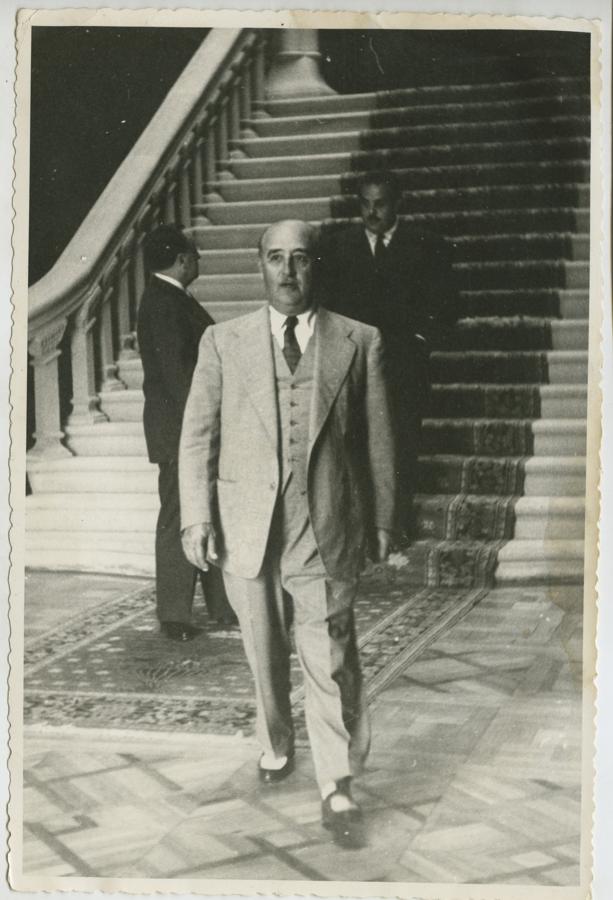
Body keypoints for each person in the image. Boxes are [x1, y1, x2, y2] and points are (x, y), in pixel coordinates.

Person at [179, 220, 395, 847]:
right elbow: (196, 435)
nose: (288, 271)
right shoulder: (223, 342)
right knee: (264, 653)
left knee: (329, 654)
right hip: (246, 525)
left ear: (316, 266)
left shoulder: (359, 340)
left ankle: (337, 784)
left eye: (300, 259)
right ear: (260, 265)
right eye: (276, 258)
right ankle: (276, 740)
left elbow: (379, 437)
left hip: (322, 522)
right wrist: (196, 515)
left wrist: (382, 517)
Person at [322, 170, 457, 532]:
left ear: (398, 203)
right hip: (353, 366)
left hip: (404, 365)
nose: (371, 212)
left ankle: (395, 525)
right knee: (354, 443)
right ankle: (362, 524)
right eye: (364, 204)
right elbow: (325, 305)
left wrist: (422, 341)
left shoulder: (427, 244)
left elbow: (446, 306)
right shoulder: (336, 247)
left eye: (380, 203)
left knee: (401, 444)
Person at [137, 224, 237, 642]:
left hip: (186, 429)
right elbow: (180, 377)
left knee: (206, 510)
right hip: (181, 431)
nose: (197, 260)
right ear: (181, 260)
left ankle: (222, 604)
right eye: (194, 255)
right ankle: (175, 614)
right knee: (181, 515)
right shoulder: (164, 303)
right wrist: (206, 422)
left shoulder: (171, 298)